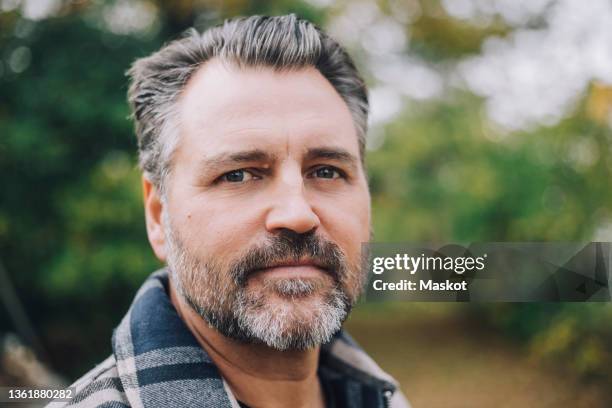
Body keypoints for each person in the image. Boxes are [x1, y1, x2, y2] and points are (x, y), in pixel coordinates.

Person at [49, 14, 410, 408]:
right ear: (157, 215)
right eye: (238, 175)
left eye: (327, 171)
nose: (297, 214)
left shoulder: (384, 398)